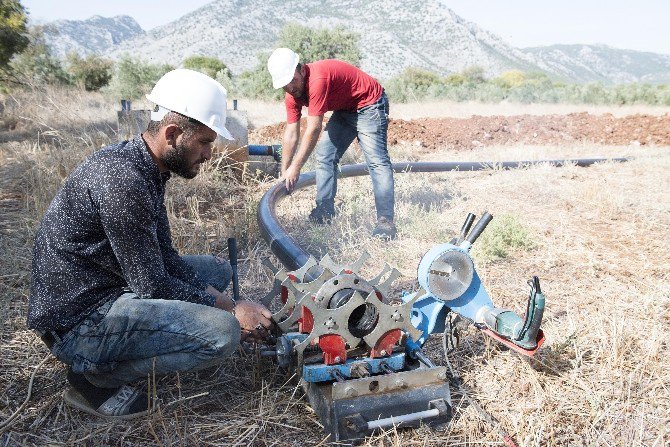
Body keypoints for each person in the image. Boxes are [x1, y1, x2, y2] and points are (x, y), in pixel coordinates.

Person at [27, 68, 273, 419]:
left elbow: (164, 257)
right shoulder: (123, 183)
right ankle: (94, 378)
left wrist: (223, 299)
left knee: (218, 270)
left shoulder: (146, 166)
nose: (208, 154)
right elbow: (152, 283)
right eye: (203, 142)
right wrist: (231, 310)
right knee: (223, 334)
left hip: (105, 285)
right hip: (79, 321)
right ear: (173, 133)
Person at [267, 48, 397, 240]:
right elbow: (291, 132)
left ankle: (386, 222)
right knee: (325, 156)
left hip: (369, 103)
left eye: (293, 80)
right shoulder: (291, 94)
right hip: (346, 109)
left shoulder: (317, 80)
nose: (290, 88)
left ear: (301, 70)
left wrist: (296, 167)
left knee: (377, 161)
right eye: (284, 85)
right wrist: (285, 169)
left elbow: (313, 129)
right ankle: (324, 212)